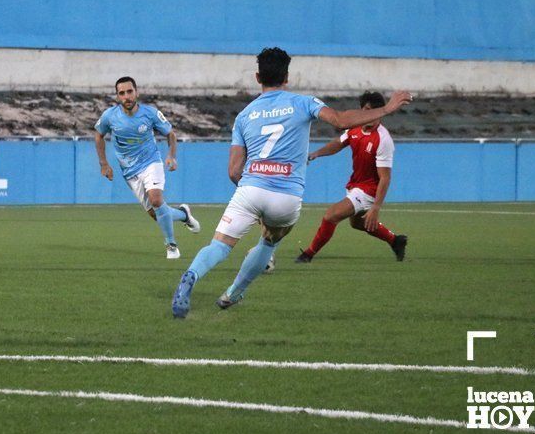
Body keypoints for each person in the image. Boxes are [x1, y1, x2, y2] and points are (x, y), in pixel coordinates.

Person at [171, 48, 411, 318]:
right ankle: (233, 293)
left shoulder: (244, 115)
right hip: (286, 197)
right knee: (269, 242)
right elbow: (341, 121)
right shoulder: (304, 102)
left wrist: (251, 191)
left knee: (219, 245)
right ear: (287, 76)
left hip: (249, 189)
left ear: (257, 76)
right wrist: (388, 108)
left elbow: (234, 170)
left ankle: (190, 276)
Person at [94, 76, 200, 259]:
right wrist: (104, 164)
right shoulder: (109, 116)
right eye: (122, 93)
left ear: (136, 92)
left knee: (157, 200)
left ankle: (171, 245)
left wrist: (171, 156)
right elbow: (98, 135)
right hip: (130, 172)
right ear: (117, 96)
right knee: (156, 213)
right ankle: (183, 215)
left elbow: (170, 134)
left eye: (129, 91)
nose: (126, 96)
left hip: (151, 162)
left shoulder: (150, 113)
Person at [297, 92, 407, 263]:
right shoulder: (355, 128)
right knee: (357, 223)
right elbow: (338, 144)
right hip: (356, 184)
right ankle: (396, 240)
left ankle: (308, 255)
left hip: (369, 190)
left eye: (372, 110)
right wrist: (316, 154)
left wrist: (375, 208)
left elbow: (385, 178)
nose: (367, 115)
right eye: (365, 110)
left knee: (331, 215)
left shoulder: (383, 139)